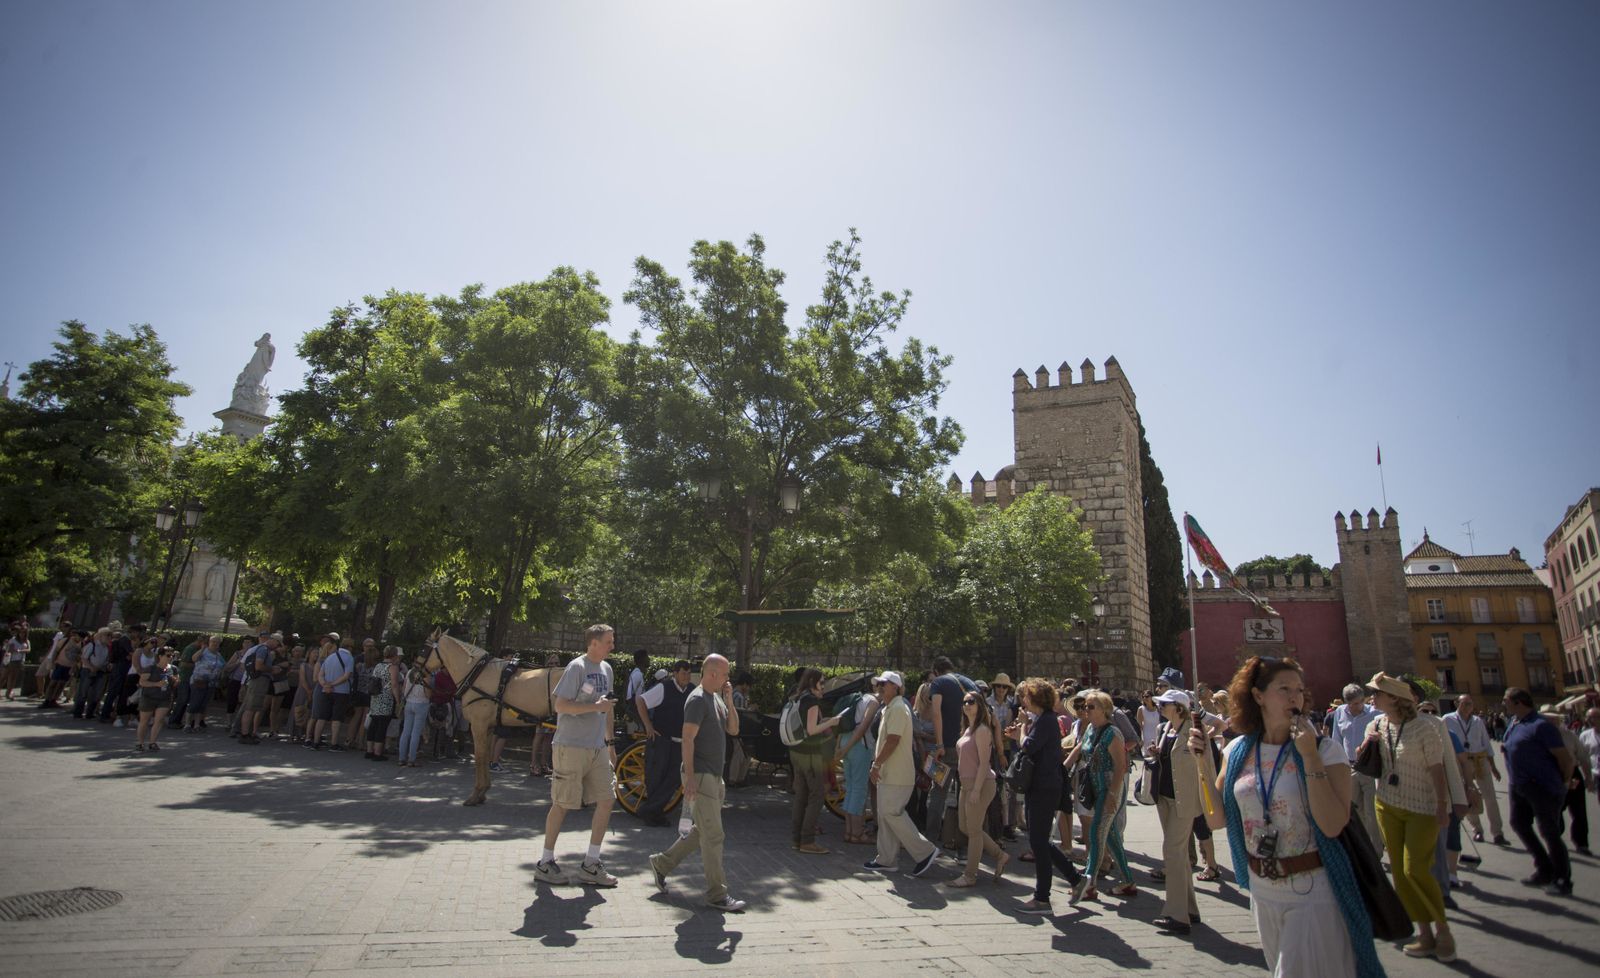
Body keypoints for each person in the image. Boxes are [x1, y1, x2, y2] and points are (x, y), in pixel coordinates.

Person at [1196, 655, 1379, 978]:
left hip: (1312, 890)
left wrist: (1309, 757)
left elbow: (1334, 823)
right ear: (1257, 696)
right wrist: (1201, 763)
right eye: (1284, 688)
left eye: (1299, 689)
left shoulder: (1326, 752)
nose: (1295, 696)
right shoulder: (1237, 752)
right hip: (1263, 889)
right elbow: (1216, 820)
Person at [1360, 671, 1456, 961]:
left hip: (1422, 807)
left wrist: (1442, 803)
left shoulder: (1425, 728)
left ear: (1394, 698)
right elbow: (1362, 757)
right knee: (1400, 875)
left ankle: (1443, 932)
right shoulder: (1375, 723)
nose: (1372, 697)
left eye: (1377, 693)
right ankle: (1423, 933)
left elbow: (1437, 768)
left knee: (1416, 869)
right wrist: (1368, 743)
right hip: (1387, 804)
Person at [647, 653, 747, 912]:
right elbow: (687, 738)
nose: (728, 679)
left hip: (713, 776)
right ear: (712, 673)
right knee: (714, 835)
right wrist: (690, 778)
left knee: (702, 831)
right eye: (725, 674)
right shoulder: (697, 700)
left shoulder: (715, 698)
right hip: (700, 775)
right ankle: (717, 894)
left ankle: (661, 863)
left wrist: (728, 699)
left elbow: (734, 730)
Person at [535, 624, 619, 888]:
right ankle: (545, 862)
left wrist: (610, 742)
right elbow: (560, 705)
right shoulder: (577, 667)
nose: (612, 645)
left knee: (607, 800)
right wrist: (593, 707)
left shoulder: (607, 669)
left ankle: (591, 864)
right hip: (570, 746)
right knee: (563, 803)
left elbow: (607, 708)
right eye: (608, 641)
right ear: (593, 643)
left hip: (597, 748)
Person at [1004, 678, 1083, 914]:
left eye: (1025, 696)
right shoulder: (1043, 720)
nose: (1022, 700)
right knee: (1039, 841)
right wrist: (1023, 728)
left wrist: (1021, 731)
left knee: (1038, 842)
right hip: (1039, 786)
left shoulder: (1047, 720)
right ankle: (1075, 880)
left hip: (1044, 787)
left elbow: (1028, 746)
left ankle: (1043, 898)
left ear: (1035, 697)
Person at [1499, 687, 1577, 895]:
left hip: (1541, 786)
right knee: (1518, 824)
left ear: (1519, 703)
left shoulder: (1541, 726)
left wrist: (1564, 781)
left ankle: (1562, 879)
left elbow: (1565, 758)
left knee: (1549, 831)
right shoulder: (1514, 723)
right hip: (1518, 785)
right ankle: (1544, 868)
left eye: (1506, 700)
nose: (1503, 704)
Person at [863, 671, 939, 878]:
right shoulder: (891, 707)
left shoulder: (897, 707)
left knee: (890, 813)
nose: (879, 687)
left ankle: (925, 851)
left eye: (884, 684)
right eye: (879, 684)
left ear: (895, 687)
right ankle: (886, 859)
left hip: (897, 774)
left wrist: (876, 765)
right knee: (885, 815)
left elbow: (893, 739)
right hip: (891, 773)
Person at [1066, 689, 1137, 904]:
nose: (1085, 710)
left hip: (1108, 790)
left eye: (1090, 706)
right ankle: (1128, 881)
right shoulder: (1091, 731)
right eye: (1084, 706)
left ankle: (1089, 884)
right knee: (1112, 837)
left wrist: (1113, 795)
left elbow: (1120, 766)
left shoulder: (1112, 733)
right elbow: (1079, 749)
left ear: (1104, 709)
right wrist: (1063, 768)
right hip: (1095, 790)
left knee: (1097, 834)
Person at [1150, 688, 1202, 934]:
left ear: (1179, 708)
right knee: (1178, 854)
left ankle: (1176, 915)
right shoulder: (1164, 730)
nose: (1160, 708)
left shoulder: (1193, 732)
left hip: (1185, 800)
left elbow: (1206, 766)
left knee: (1171, 852)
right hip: (1165, 797)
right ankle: (1190, 909)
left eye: (1165, 704)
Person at [947, 688, 1007, 886]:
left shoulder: (982, 730)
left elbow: (984, 763)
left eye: (971, 701)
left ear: (980, 705)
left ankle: (970, 875)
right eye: (964, 702)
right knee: (966, 827)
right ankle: (999, 855)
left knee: (973, 831)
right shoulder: (968, 729)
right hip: (966, 784)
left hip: (980, 783)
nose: (966, 705)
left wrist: (976, 790)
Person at [786, 667, 841, 853]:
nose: (824, 686)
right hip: (810, 754)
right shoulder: (811, 701)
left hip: (797, 752)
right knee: (817, 795)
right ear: (813, 682)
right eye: (822, 682)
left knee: (801, 796)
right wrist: (832, 722)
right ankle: (808, 840)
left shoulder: (799, 697)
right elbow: (811, 729)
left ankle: (797, 839)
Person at [635, 659, 693, 827]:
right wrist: (648, 726)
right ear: (675, 673)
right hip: (661, 740)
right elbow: (641, 701)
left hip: (680, 742)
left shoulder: (692, 690)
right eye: (683, 673)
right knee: (656, 777)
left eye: (689, 673)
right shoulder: (664, 687)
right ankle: (654, 813)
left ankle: (649, 810)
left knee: (674, 779)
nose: (686, 677)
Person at [1444, 693, 1507, 846]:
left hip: (1480, 760)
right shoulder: (1447, 719)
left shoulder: (1477, 721)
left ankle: (1497, 832)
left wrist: (1493, 766)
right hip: (1461, 761)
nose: (1467, 707)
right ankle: (1477, 830)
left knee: (1490, 796)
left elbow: (1486, 743)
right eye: (1464, 703)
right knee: (1469, 796)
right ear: (1456, 704)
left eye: (1470, 704)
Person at [1328, 683, 1383, 855]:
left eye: (1359, 703)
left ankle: (1376, 851)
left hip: (1369, 767)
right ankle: (1363, 847)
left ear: (1363, 699)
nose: (1356, 707)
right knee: (1355, 810)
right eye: (1352, 704)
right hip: (1349, 766)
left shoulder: (1375, 714)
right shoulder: (1339, 712)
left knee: (1372, 810)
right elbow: (1336, 738)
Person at [833, 678, 881, 846]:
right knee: (859, 790)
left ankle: (849, 831)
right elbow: (862, 729)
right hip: (859, 746)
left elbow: (842, 724)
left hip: (846, 742)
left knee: (851, 788)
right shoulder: (874, 702)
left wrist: (840, 749)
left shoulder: (858, 698)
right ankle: (857, 833)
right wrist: (846, 749)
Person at [305, 634, 354, 751]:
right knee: (336, 718)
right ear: (350, 647)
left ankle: (315, 742)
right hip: (341, 691)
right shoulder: (349, 658)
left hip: (326, 691)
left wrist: (325, 685)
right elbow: (346, 676)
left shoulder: (329, 657)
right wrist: (333, 684)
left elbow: (320, 675)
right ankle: (334, 743)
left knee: (321, 717)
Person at [236, 633, 280, 745]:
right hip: (259, 680)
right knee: (251, 708)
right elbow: (258, 666)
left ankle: (247, 732)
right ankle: (245, 734)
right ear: (273, 640)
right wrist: (271, 669)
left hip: (257, 680)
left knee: (252, 707)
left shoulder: (263, 649)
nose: (277, 646)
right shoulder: (263, 650)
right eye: (277, 643)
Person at [397, 651, 434, 767]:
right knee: (416, 733)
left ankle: (401, 758)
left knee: (406, 732)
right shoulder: (427, 676)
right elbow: (428, 695)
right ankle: (411, 759)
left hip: (409, 703)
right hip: (421, 704)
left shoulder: (409, 672)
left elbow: (403, 690)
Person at [134, 647, 176, 751]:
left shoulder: (172, 669)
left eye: (172, 656)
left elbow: (175, 683)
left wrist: (175, 681)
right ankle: (140, 742)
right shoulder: (151, 668)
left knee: (159, 720)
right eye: (168, 655)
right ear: (160, 656)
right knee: (144, 721)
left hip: (164, 698)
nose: (170, 658)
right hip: (149, 697)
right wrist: (156, 684)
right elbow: (142, 682)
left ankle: (153, 742)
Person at [364, 645, 401, 761]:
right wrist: (398, 699)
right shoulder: (393, 667)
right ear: (395, 655)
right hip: (386, 698)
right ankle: (377, 752)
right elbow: (394, 685)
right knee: (382, 726)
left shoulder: (378, 666)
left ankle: (369, 750)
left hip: (375, 697)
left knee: (373, 724)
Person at [73, 627, 112, 719]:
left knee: (96, 693)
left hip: (100, 671)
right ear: (101, 636)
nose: (109, 638)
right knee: (83, 692)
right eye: (107, 636)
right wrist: (91, 667)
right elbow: (84, 658)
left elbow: (106, 660)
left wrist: (105, 666)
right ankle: (78, 712)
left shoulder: (106, 648)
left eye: (110, 637)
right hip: (88, 670)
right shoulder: (92, 645)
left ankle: (90, 713)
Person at [185, 637, 224, 732]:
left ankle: (197, 725)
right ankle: (187, 724)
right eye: (213, 642)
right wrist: (202, 649)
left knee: (202, 704)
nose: (215, 644)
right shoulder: (204, 652)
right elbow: (194, 658)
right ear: (209, 642)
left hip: (211, 683)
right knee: (194, 703)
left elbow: (224, 666)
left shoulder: (219, 655)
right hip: (198, 681)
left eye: (217, 642)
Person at [3, 620, 31, 700]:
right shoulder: (13, 640)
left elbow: (29, 650)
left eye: (24, 632)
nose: (22, 634)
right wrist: (13, 649)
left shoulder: (27, 641)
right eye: (21, 632)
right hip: (12, 660)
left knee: (14, 677)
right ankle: (8, 693)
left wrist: (20, 650)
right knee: (7, 677)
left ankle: (8, 693)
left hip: (20, 660)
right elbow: (10, 650)